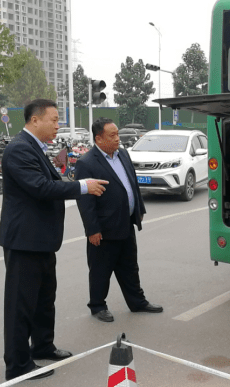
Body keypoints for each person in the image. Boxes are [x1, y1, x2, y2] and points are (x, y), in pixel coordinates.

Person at [0, 99, 108, 381]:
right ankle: (18, 365)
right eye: (54, 119)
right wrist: (83, 186)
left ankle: (42, 346)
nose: (58, 125)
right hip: (24, 241)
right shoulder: (19, 148)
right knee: (21, 306)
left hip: (41, 240)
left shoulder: (35, 147)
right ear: (35, 120)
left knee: (44, 299)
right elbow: (41, 187)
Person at [75, 117, 163, 323]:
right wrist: (92, 229)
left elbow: (132, 184)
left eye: (117, 134)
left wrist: (138, 209)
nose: (117, 139)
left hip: (126, 223)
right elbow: (85, 201)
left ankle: (137, 302)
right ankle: (97, 305)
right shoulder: (86, 163)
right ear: (98, 138)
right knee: (100, 270)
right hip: (104, 228)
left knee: (130, 266)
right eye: (112, 135)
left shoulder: (123, 154)